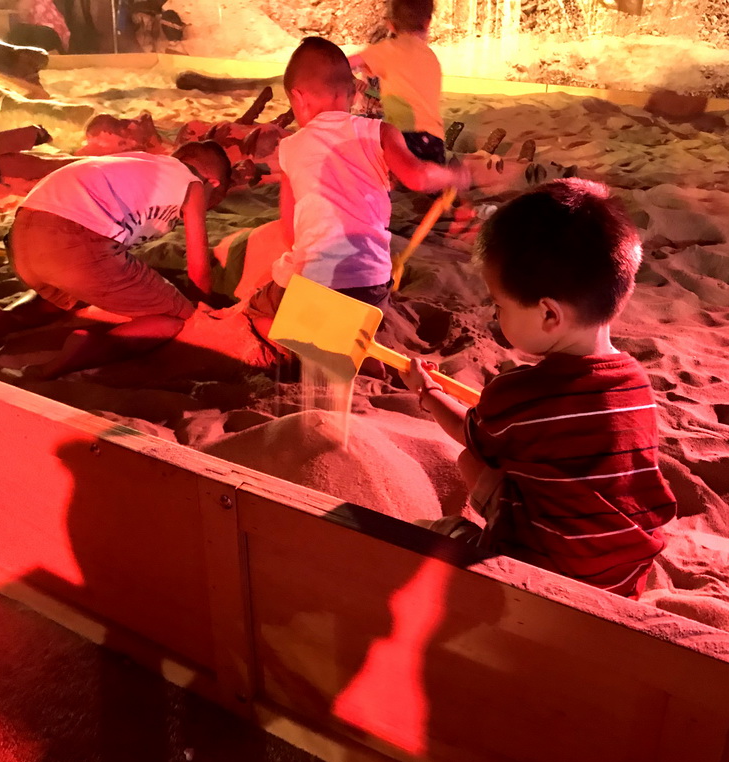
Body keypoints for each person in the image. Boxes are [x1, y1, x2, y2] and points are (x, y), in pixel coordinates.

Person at [401, 179, 677, 598]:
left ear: (549, 314)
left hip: (536, 579)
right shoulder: (634, 382)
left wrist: (429, 393)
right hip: (619, 578)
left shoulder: (520, 391)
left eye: (500, 305)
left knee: (458, 477)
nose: (496, 316)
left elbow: (468, 434)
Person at [0, 142, 231, 378]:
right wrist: (200, 306)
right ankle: (91, 347)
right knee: (175, 318)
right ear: (213, 182)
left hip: (22, 237)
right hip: (78, 240)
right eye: (215, 199)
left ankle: (4, 319)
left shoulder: (139, 161)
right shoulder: (193, 184)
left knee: (60, 300)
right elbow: (198, 267)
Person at [242, 37, 468, 332]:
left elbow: (290, 233)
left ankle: (294, 345)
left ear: (298, 97)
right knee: (359, 315)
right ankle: (357, 347)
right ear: (352, 94)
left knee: (256, 311)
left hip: (315, 284)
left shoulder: (290, 147)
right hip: (371, 287)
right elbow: (418, 177)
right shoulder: (380, 132)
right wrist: (453, 176)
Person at [347, 0, 445, 164]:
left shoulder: (388, 49)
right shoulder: (431, 57)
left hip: (403, 136)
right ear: (428, 22)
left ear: (390, 25)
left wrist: (352, 80)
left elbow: (338, 64)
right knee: (430, 182)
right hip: (435, 139)